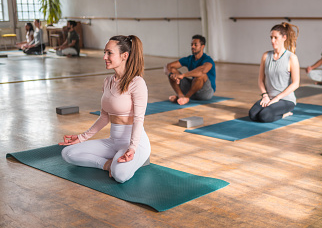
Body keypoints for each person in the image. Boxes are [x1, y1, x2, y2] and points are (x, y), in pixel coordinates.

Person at [59, 35, 150, 183]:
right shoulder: (107, 81)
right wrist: (82, 138)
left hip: (134, 142)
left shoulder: (137, 83)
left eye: (109, 53)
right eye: (104, 52)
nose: (104, 57)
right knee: (68, 153)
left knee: (119, 175)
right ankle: (108, 164)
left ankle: (132, 159)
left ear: (124, 56)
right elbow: (104, 117)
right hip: (113, 141)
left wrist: (132, 148)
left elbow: (139, 119)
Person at [249, 22, 300, 123]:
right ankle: (272, 107)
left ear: (284, 38)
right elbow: (260, 79)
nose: (272, 40)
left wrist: (277, 98)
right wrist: (265, 95)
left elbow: (296, 84)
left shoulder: (291, 58)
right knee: (253, 115)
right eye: (271, 37)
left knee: (264, 116)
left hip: (285, 99)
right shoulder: (265, 56)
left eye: (275, 37)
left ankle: (284, 114)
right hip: (269, 97)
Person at [164, 35, 216, 105]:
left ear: (202, 46)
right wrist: (171, 75)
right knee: (172, 71)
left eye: (195, 45)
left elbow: (202, 70)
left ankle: (186, 97)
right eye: (191, 45)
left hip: (205, 93)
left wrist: (183, 75)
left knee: (201, 75)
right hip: (193, 89)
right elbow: (168, 66)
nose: (192, 47)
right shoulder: (189, 59)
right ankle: (181, 96)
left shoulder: (208, 60)